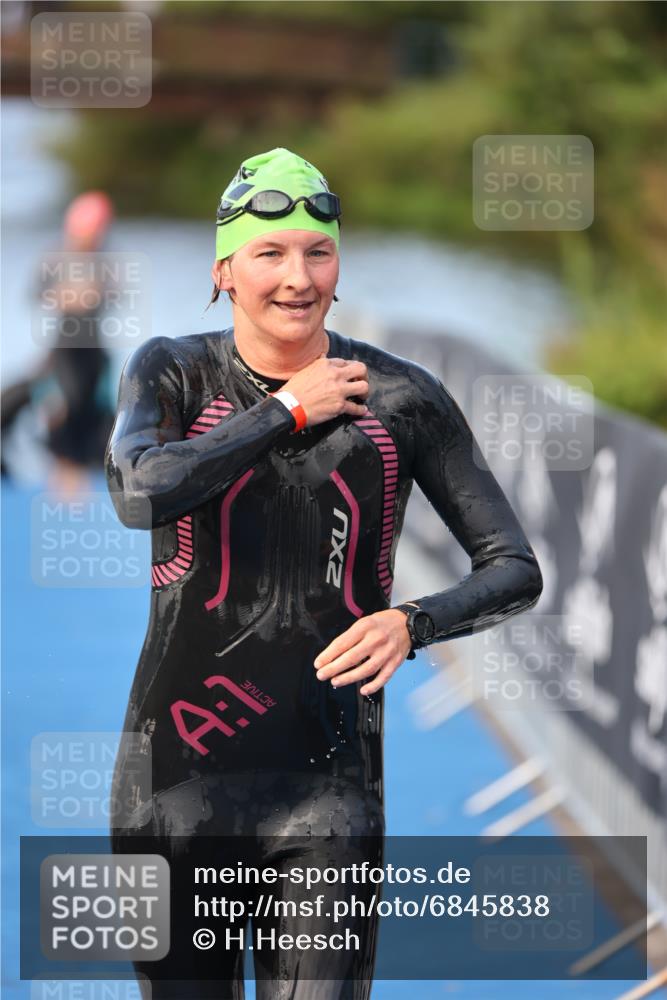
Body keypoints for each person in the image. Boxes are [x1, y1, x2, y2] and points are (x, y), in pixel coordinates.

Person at [105, 147, 543, 999]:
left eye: (318, 252)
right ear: (224, 270)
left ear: (338, 265)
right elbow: (139, 491)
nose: (296, 277)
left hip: (329, 789)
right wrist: (283, 412)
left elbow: (513, 569)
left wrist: (412, 623)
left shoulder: (401, 398)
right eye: (269, 254)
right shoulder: (174, 371)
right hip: (171, 785)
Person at [1, 190, 115, 495]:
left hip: (93, 349)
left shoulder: (104, 259)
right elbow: (37, 294)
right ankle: (60, 471)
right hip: (64, 346)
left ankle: (83, 473)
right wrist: (67, 297)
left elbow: (114, 295)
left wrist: (94, 295)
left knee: (97, 409)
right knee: (59, 400)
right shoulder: (57, 256)